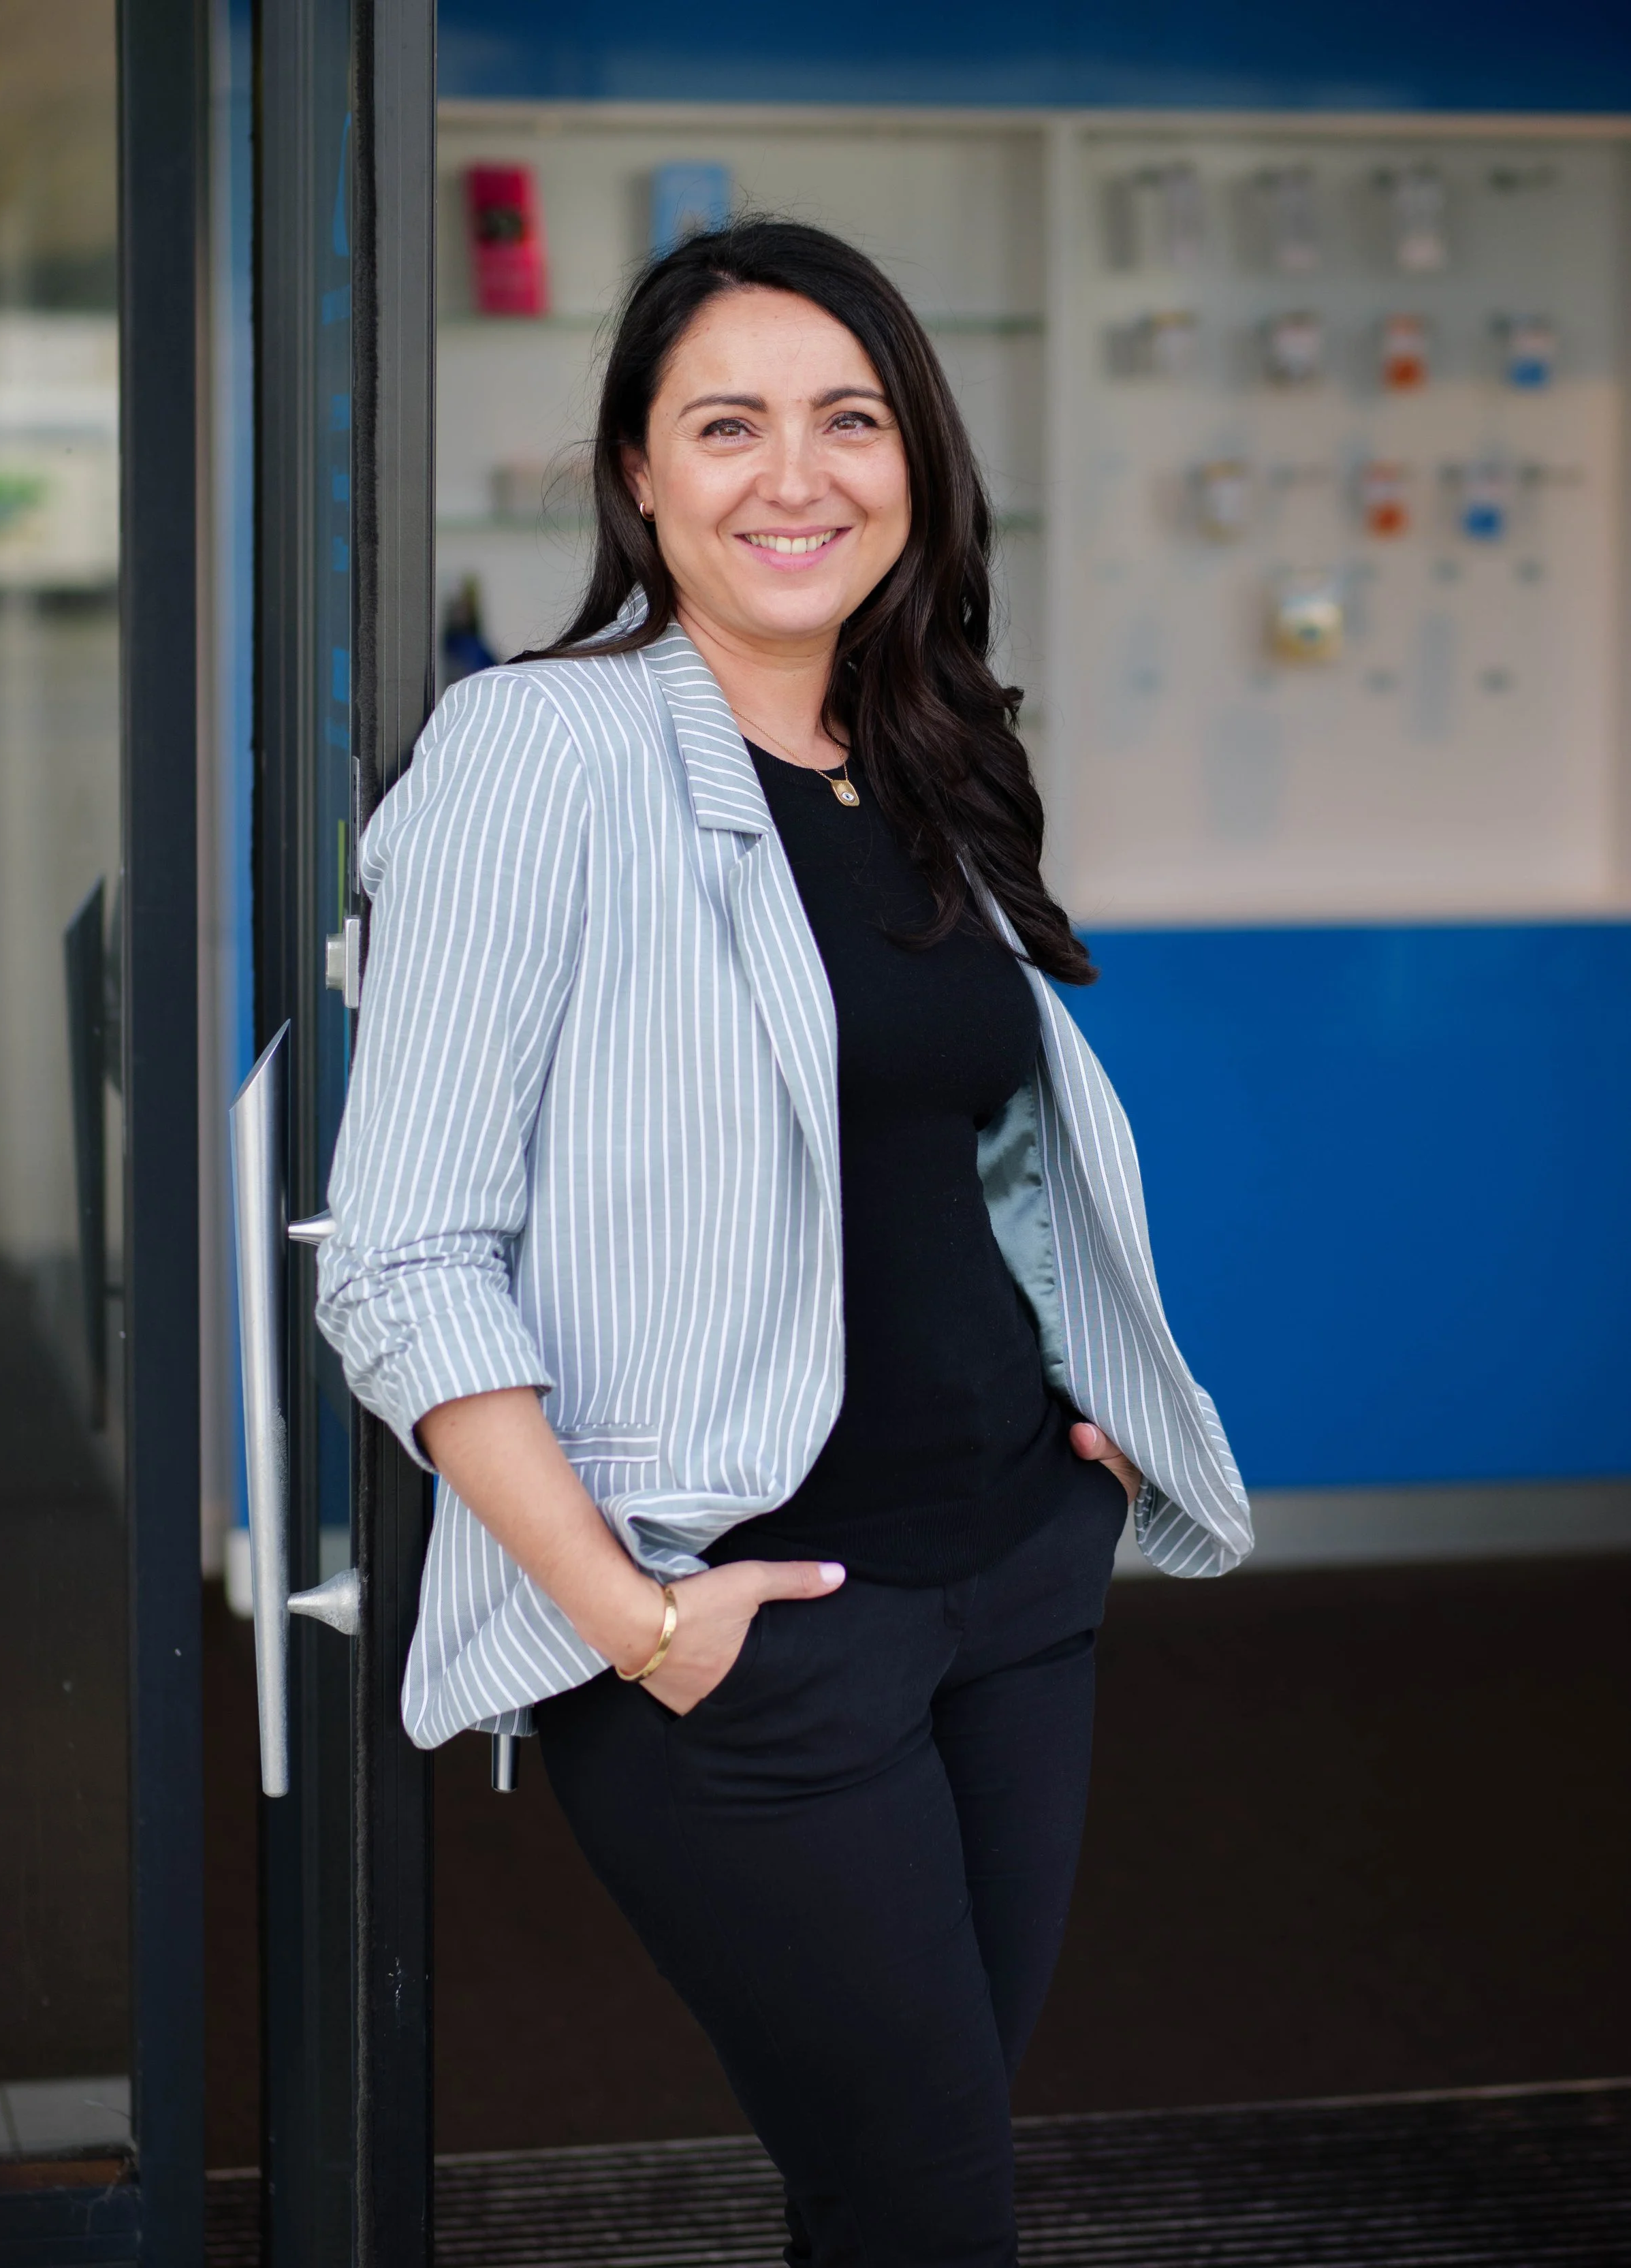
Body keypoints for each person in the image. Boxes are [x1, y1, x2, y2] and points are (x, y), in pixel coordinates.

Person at [317, 217, 1251, 2268]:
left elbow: (958, 1148)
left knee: (905, 2180)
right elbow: (398, 1257)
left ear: (915, 457)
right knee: (931, 2203)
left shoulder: (910, 749)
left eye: (847, 418)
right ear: (636, 479)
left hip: (1010, 1578)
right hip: (743, 1636)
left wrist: (1070, 1420)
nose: (794, 474)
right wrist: (633, 1619)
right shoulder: (536, 754)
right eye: (724, 426)